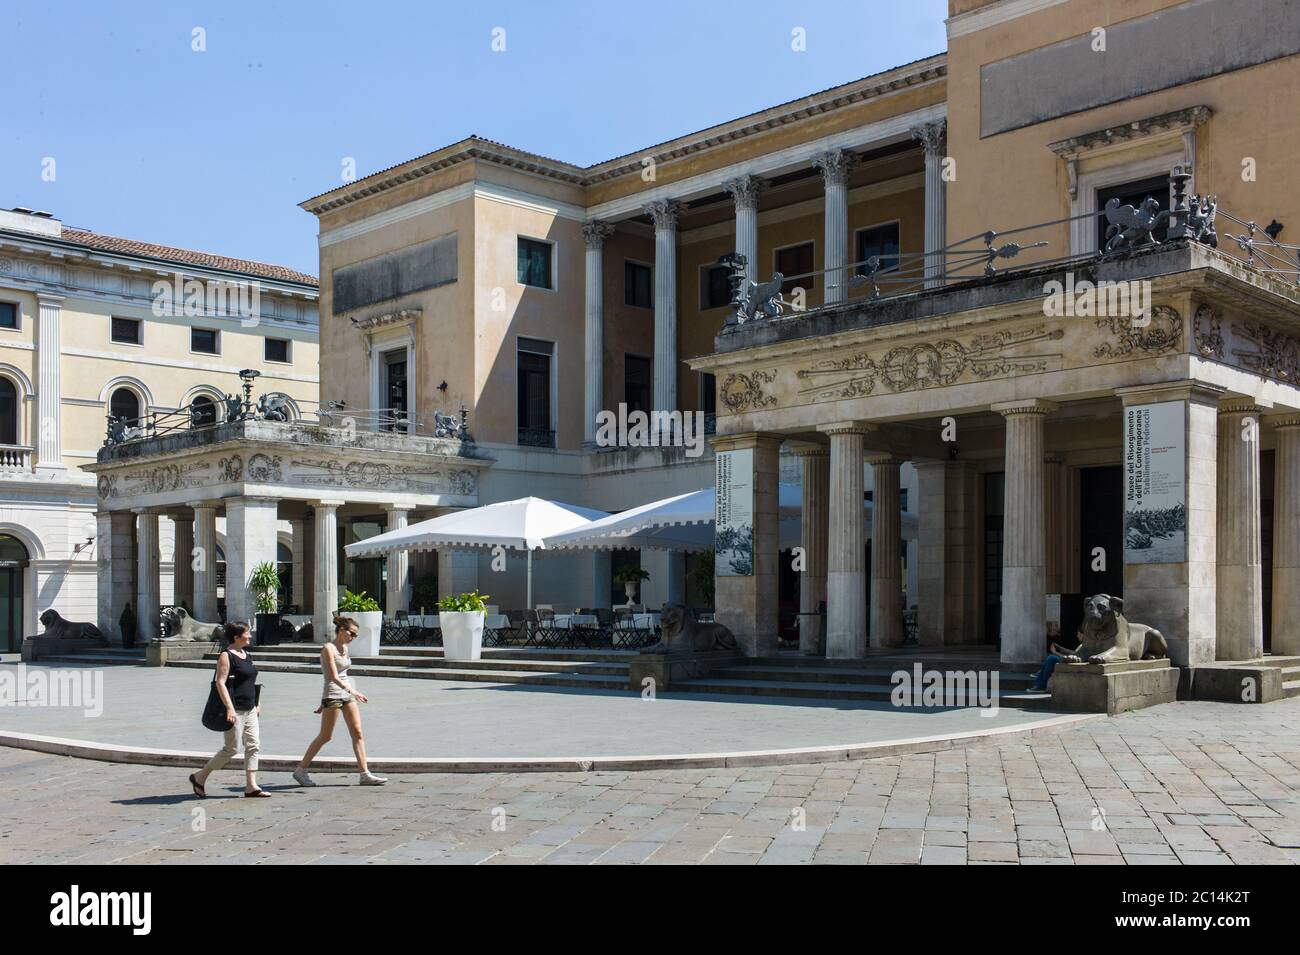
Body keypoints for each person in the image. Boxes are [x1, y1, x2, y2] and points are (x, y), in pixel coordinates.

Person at [292, 615, 387, 786]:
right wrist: (352, 692)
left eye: (356, 635)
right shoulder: (328, 648)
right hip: (334, 694)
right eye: (352, 633)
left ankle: (364, 774)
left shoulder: (345, 648)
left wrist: (351, 692)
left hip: (347, 694)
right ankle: (301, 770)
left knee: (357, 732)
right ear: (342, 630)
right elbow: (333, 677)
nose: (354, 637)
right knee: (325, 736)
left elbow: (344, 674)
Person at [189, 622, 268, 797]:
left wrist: (258, 702)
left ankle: (251, 786)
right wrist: (229, 709)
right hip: (235, 709)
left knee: (253, 745)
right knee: (231, 749)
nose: (250, 635)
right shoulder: (226, 656)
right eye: (247, 633)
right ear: (236, 637)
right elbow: (220, 682)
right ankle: (200, 776)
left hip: (250, 708)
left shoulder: (246, 654)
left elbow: (251, 681)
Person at [1027, 640, 1093, 692]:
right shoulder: (1082, 645)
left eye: (1078, 634)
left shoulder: (1085, 645)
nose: (1077, 636)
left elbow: (1072, 657)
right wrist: (1059, 647)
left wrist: (1056, 652)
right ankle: (1040, 675)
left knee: (1051, 658)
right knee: (1050, 658)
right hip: (1071, 661)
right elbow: (1073, 652)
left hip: (1073, 663)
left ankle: (1042, 685)